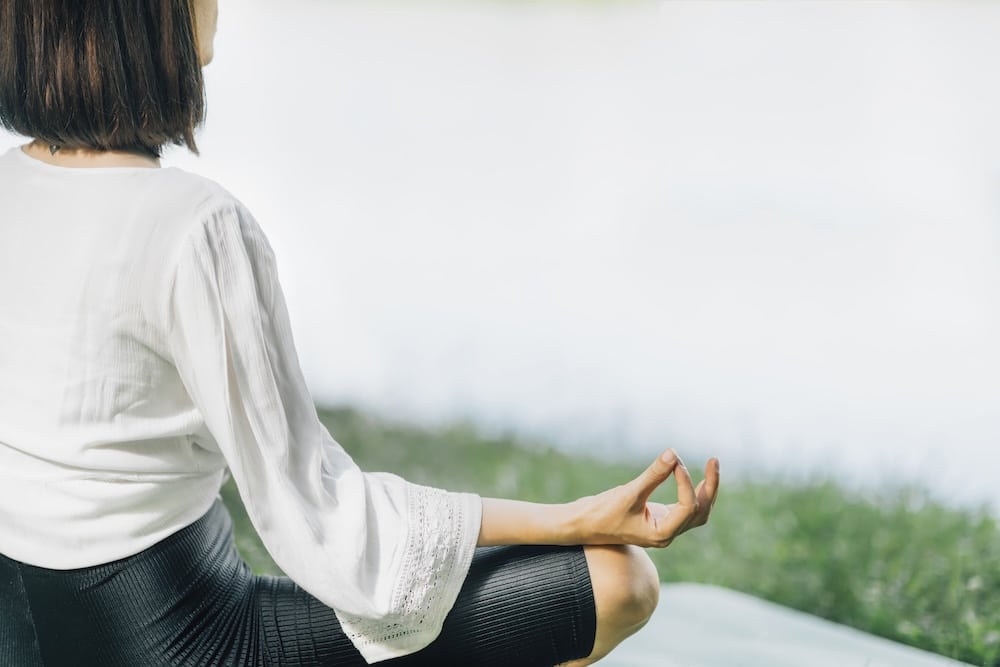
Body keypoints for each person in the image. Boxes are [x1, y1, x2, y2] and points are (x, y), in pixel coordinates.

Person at [0, 1, 720, 665]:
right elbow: (324, 518)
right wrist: (576, 518)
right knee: (619, 579)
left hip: (27, 630)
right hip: (187, 644)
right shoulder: (195, 226)